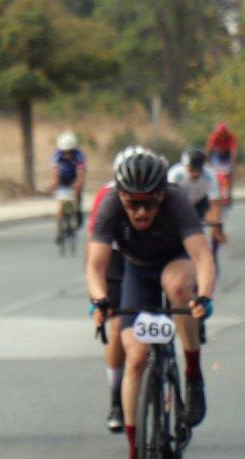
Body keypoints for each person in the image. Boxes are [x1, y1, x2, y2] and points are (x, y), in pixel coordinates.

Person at [87, 149, 215, 459]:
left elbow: (203, 257)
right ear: (122, 197)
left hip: (176, 261)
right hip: (136, 272)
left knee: (177, 289)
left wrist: (203, 297)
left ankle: (192, 374)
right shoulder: (111, 204)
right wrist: (99, 301)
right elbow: (96, 265)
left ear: (161, 194)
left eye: (149, 204)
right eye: (133, 204)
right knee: (137, 358)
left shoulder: (176, 201)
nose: (141, 212)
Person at [87, 145, 151, 434]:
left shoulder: (162, 191)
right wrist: (96, 298)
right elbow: (94, 255)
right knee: (116, 330)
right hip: (117, 258)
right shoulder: (107, 196)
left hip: (151, 255)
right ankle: (115, 398)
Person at [167, 148, 226, 258]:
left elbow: (215, 203)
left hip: (200, 201)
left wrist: (217, 226)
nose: (195, 173)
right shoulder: (175, 174)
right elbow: (169, 200)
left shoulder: (210, 176)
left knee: (216, 221)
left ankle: (211, 256)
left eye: (198, 169)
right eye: (191, 169)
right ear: (185, 166)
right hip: (180, 202)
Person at [50, 131, 87, 239]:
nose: (67, 155)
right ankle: (59, 230)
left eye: (70, 152)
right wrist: (54, 183)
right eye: (65, 152)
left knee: (77, 195)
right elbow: (55, 171)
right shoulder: (57, 155)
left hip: (75, 177)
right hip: (63, 179)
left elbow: (81, 173)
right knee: (61, 205)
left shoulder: (79, 155)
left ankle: (78, 212)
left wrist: (78, 185)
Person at [205, 121, 237, 204]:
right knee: (216, 175)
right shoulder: (214, 137)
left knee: (229, 175)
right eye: (220, 133)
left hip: (227, 155)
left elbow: (233, 151)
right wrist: (208, 162)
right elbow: (208, 150)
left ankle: (228, 195)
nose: (222, 135)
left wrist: (232, 164)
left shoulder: (231, 137)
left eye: (224, 133)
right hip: (217, 155)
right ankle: (215, 194)